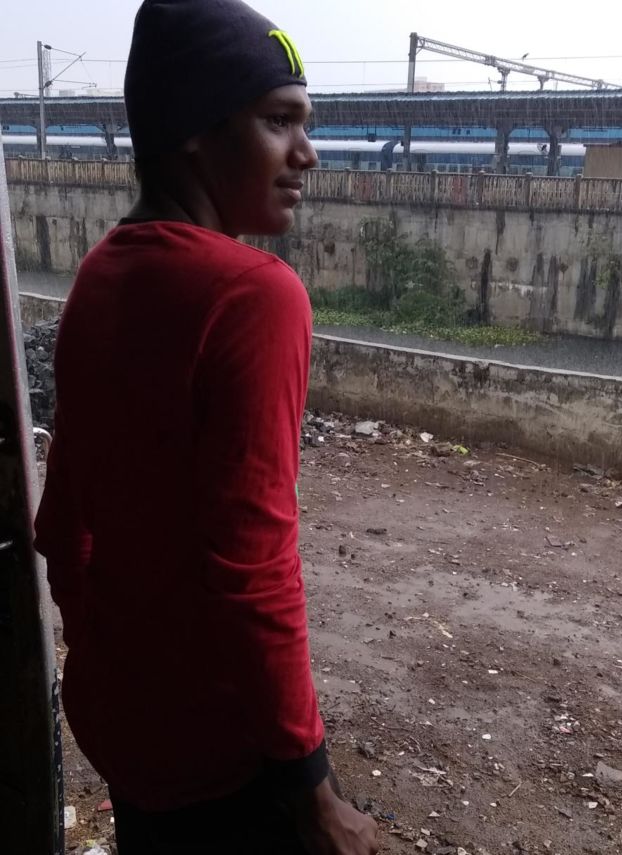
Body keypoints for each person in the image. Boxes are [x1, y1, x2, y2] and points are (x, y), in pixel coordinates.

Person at [34, 1, 379, 853]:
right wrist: (313, 788)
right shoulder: (254, 295)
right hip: (223, 755)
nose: (307, 153)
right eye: (279, 121)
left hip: (127, 726)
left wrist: (108, 659)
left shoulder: (100, 277)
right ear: (195, 125)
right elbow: (254, 566)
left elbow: (63, 519)